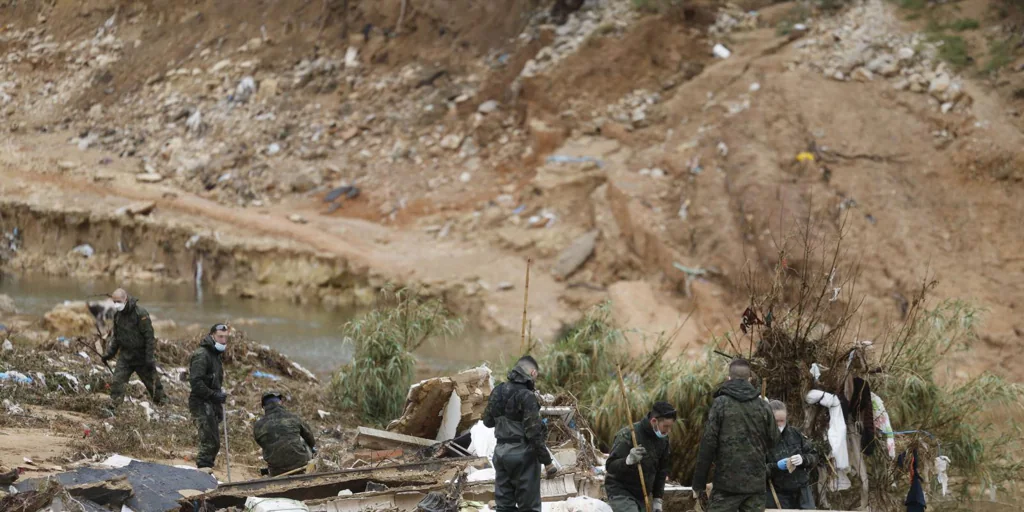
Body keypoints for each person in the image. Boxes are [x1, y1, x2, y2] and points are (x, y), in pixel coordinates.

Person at [691, 359, 778, 512]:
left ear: (729, 378)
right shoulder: (763, 406)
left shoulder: (720, 404)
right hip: (755, 485)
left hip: (727, 485)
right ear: (750, 378)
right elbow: (774, 440)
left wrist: (699, 484)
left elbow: (708, 445)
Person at [482, 355, 556, 512]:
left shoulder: (497, 391)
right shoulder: (526, 395)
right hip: (523, 456)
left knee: (504, 506)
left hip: (501, 453)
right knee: (528, 507)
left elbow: (487, 422)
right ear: (533, 372)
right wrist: (547, 462)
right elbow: (534, 433)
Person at [605, 401, 676, 512]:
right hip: (621, 491)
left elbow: (662, 471)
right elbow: (610, 466)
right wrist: (628, 461)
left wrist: (658, 500)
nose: (668, 430)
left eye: (670, 427)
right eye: (665, 426)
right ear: (654, 421)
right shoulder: (628, 434)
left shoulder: (663, 440)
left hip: (642, 494)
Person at [101, 288, 166, 407]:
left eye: (119, 301)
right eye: (114, 301)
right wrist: (109, 354)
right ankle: (114, 407)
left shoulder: (140, 313)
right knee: (117, 382)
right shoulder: (118, 316)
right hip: (125, 357)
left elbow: (149, 337)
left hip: (141, 357)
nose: (116, 304)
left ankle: (163, 406)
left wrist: (149, 357)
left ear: (125, 299)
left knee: (154, 386)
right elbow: (116, 338)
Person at [188, 324, 229, 469]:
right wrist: (214, 395)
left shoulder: (215, 355)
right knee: (209, 442)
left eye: (225, 337)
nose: (223, 340)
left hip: (211, 402)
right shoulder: (202, 355)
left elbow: (213, 381)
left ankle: (206, 470)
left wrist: (217, 401)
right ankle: (203, 472)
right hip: (200, 402)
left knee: (214, 442)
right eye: (220, 337)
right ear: (212, 336)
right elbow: (196, 382)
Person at [766, 400, 818, 509]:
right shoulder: (762, 439)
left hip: (802, 492)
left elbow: (814, 455)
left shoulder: (795, 433)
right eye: (776, 421)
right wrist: (776, 466)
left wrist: (803, 459)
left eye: (782, 421)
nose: (779, 424)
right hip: (778, 494)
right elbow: (755, 471)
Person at [254, 391, 318, 476]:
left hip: (275, 470)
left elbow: (261, 443)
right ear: (280, 403)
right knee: (303, 439)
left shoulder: (258, 425)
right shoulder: (293, 417)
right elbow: (311, 441)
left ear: (264, 407)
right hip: (300, 464)